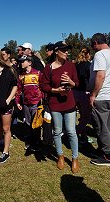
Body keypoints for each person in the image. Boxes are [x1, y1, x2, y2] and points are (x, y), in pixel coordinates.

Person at [40, 41, 80, 173]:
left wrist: (71, 82)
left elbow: (77, 83)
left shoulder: (71, 65)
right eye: (64, 50)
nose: (67, 52)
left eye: (68, 50)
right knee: (57, 131)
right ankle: (60, 156)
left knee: (71, 131)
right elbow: (43, 85)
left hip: (69, 103)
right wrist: (55, 90)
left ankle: (75, 158)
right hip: (55, 104)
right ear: (57, 51)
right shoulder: (48, 68)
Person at [89, 33, 110, 166]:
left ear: (96, 42)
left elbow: (100, 76)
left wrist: (93, 94)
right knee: (107, 125)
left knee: (101, 127)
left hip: (102, 96)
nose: (92, 48)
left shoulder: (100, 55)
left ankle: (107, 156)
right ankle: (103, 149)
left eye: (92, 45)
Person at [15, 55, 43, 151]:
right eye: (20, 61)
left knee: (36, 123)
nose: (21, 63)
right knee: (27, 123)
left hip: (36, 102)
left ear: (30, 62)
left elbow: (43, 88)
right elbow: (19, 90)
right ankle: (30, 141)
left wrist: (42, 99)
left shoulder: (38, 73)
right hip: (26, 103)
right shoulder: (21, 76)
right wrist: (18, 102)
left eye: (23, 61)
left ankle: (38, 141)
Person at [74, 47, 92, 144]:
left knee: (82, 115)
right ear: (88, 54)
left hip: (75, 92)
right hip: (84, 93)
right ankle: (75, 134)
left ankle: (83, 136)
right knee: (86, 117)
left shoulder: (75, 65)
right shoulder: (88, 65)